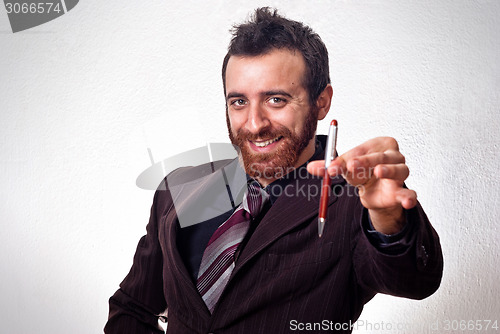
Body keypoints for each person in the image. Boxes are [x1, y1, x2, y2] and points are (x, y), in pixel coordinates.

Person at [105, 7, 443, 334]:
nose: (254, 124)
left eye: (276, 100)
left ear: (321, 102)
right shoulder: (180, 186)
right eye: (238, 101)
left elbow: (414, 280)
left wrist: (389, 220)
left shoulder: (355, 203)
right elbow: (133, 305)